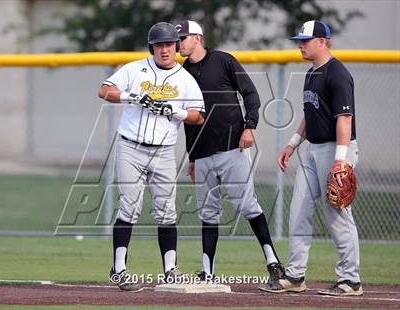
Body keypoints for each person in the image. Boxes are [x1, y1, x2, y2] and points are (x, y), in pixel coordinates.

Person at [175, 20, 285, 285]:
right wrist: (191, 157)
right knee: (207, 213)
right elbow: (189, 120)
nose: (179, 43)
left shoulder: (223, 61)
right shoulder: (180, 74)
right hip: (202, 154)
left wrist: (250, 127)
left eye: (183, 38)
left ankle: (273, 263)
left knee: (248, 205)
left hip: (231, 148)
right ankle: (207, 272)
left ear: (198, 38)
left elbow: (250, 94)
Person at [98, 22, 204, 291]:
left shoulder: (185, 79)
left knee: (167, 211)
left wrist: (175, 111)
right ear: (152, 47)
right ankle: (119, 269)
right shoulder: (135, 69)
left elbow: (198, 116)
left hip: (164, 151)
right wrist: (130, 97)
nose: (164, 49)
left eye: (169, 44)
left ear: (176, 47)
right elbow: (104, 90)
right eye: (159, 45)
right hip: (130, 147)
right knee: (129, 207)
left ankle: (170, 270)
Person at [262, 20, 363, 296]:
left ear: (322, 41)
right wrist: (292, 144)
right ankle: (295, 276)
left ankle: (350, 280)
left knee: (337, 215)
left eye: (306, 40)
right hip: (312, 150)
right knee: (298, 212)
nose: (300, 45)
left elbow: (344, 118)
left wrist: (341, 160)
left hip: (336, 148)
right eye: (300, 40)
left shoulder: (337, 73)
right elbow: (311, 112)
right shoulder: (312, 73)